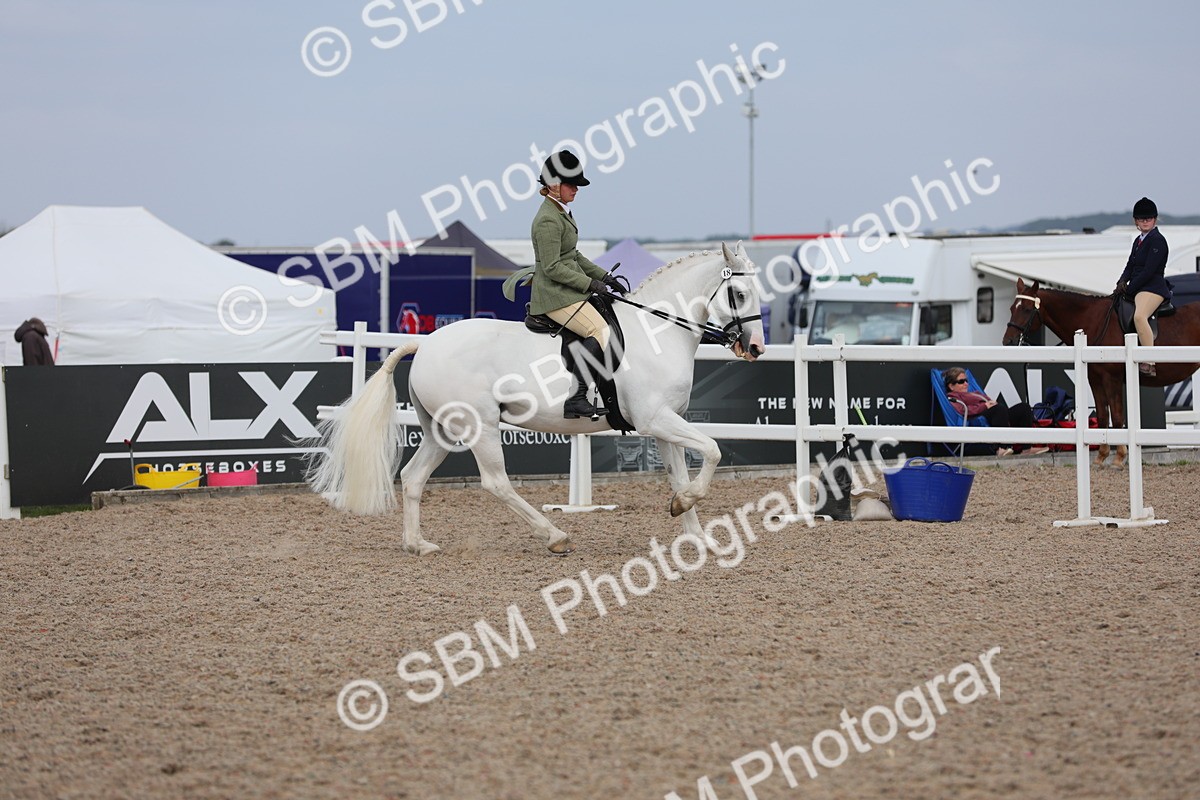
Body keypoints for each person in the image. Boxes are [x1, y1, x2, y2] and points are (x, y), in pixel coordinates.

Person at [529, 149, 626, 419]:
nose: (576, 189)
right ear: (553, 185)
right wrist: (589, 283)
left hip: (566, 289)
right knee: (599, 330)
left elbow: (573, 256)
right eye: (571, 184)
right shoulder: (548, 219)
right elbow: (552, 267)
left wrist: (604, 277)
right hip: (552, 295)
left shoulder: (562, 213)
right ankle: (578, 396)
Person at [1115, 196, 1170, 376]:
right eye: (1141, 219)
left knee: (1139, 316)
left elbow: (1148, 271)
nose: (1145, 221)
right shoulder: (1138, 241)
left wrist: (1129, 288)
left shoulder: (1158, 240)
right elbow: (1130, 266)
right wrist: (1121, 282)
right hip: (1138, 287)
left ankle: (1149, 361)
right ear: (1135, 221)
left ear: (1154, 219)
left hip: (1153, 288)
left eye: (1148, 218)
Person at [942, 367, 1047, 456]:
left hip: (994, 414)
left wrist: (990, 403)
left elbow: (989, 403)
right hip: (978, 419)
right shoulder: (953, 397)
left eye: (966, 381)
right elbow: (964, 411)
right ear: (951, 386)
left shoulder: (975, 393)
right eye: (961, 382)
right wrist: (985, 406)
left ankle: (1026, 449)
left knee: (1024, 408)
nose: (965, 384)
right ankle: (1001, 447)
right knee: (998, 409)